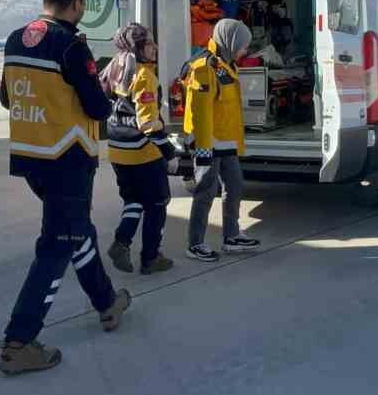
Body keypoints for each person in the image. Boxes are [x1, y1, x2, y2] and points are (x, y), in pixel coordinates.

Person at [0, 0, 132, 375]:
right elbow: (98, 109)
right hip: (68, 158)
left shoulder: (14, 38)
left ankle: (107, 303)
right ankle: (19, 342)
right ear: (76, 3)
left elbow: (6, 98)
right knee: (57, 245)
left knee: (77, 231)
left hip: (31, 155)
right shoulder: (71, 46)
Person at [181, 18, 261, 261]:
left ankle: (231, 236)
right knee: (205, 191)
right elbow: (201, 113)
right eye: (243, 46)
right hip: (208, 142)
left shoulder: (224, 64)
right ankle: (195, 244)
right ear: (231, 41)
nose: (245, 51)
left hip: (225, 141)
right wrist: (203, 151)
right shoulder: (205, 67)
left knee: (234, 186)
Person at [100, 23, 176, 276]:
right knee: (157, 203)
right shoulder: (143, 76)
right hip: (142, 152)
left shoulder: (114, 67)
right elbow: (147, 124)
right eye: (148, 43)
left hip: (118, 151)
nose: (154, 47)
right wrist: (169, 151)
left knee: (133, 201)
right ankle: (151, 258)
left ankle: (122, 242)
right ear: (136, 47)